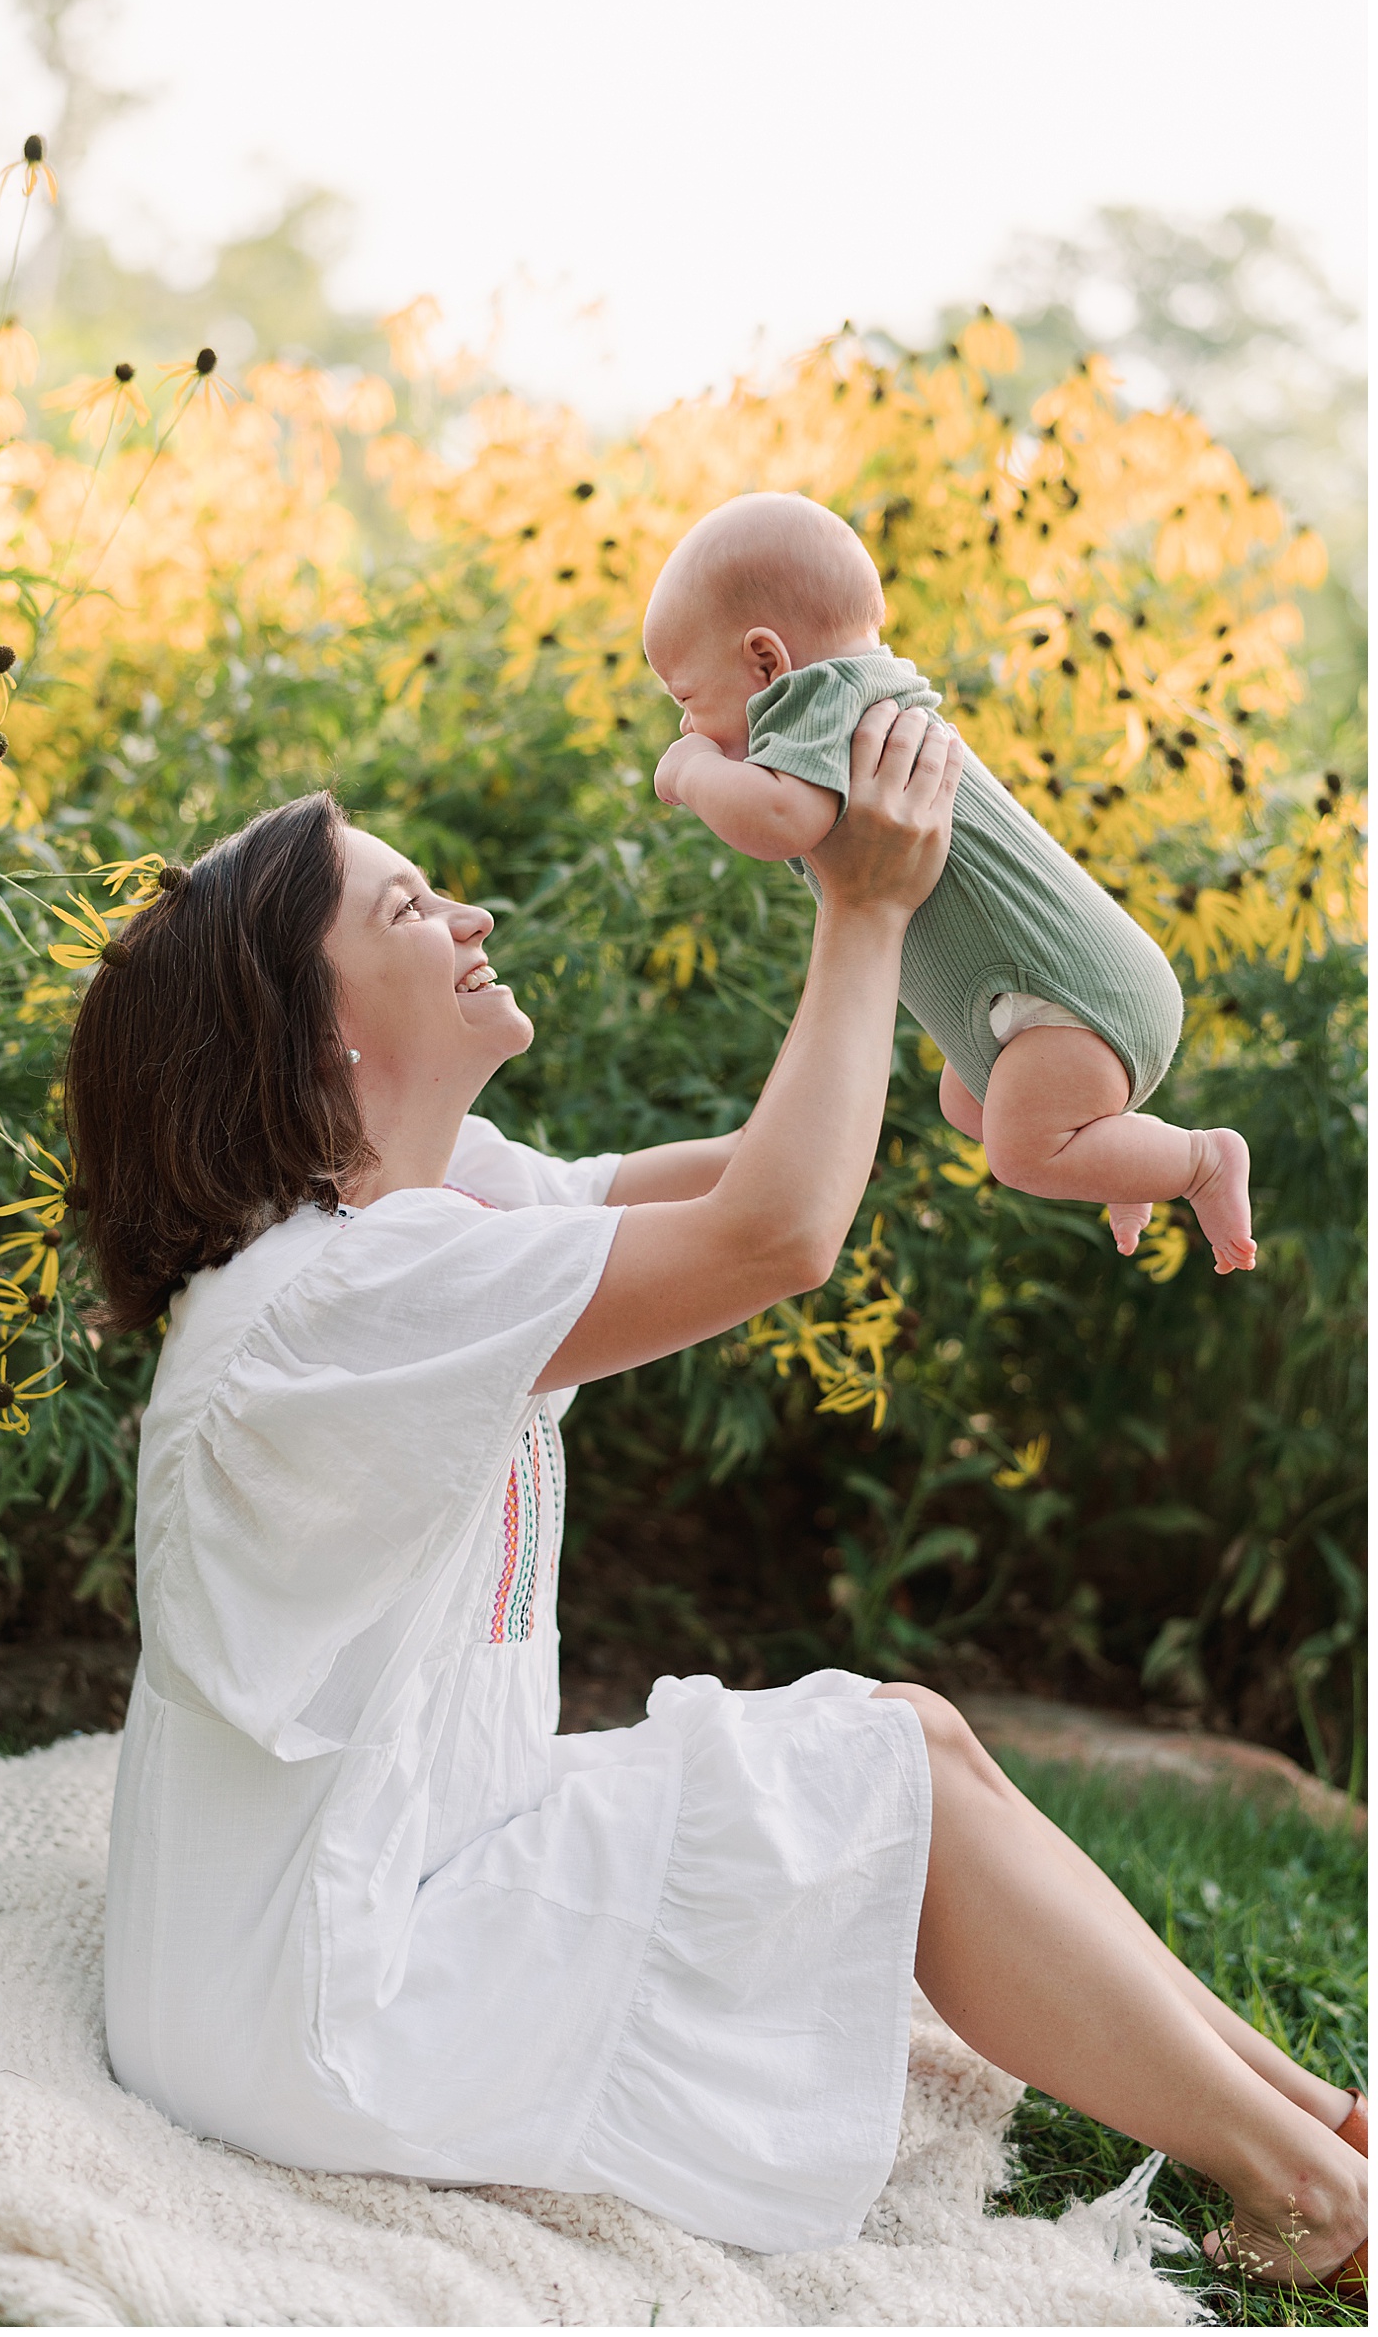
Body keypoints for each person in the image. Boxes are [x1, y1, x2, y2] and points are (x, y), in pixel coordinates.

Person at [68, 716, 1362, 2293]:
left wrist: (998, 1047)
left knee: (918, 1736)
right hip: (321, 1998)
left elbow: (779, 1166)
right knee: (897, 1780)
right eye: (410, 911)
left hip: (376, 1883)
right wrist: (863, 909)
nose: (471, 918)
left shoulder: (436, 1195)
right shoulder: (341, 1293)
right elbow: (776, 1233)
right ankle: (1309, 2190)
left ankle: (1322, 2123)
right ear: (312, 1029)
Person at [646, 491, 1255, 1275]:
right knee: (968, 1103)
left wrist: (694, 772)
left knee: (1023, 1152)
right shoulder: (862, 695)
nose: (690, 728)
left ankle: (1201, 1161)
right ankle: (1125, 1158)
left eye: (689, 701)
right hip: (1070, 996)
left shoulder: (817, 697)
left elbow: (776, 820)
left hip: (1068, 996)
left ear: (766, 660)